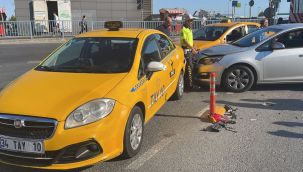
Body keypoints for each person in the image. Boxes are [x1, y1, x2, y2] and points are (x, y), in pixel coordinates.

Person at [180, 14, 198, 90]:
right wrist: (192, 48)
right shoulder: (183, 29)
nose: (191, 22)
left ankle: (190, 84)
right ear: (186, 21)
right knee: (189, 68)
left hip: (190, 50)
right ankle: (190, 86)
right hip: (186, 50)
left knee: (191, 66)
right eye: (190, 21)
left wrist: (193, 46)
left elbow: (190, 40)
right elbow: (185, 40)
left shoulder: (189, 28)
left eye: (192, 21)